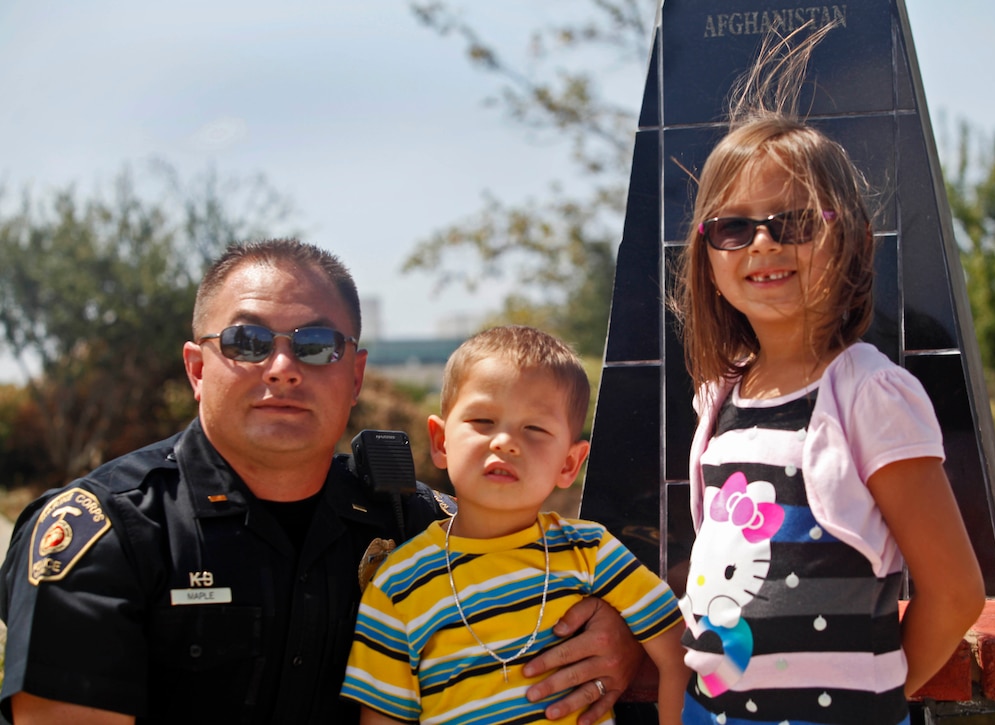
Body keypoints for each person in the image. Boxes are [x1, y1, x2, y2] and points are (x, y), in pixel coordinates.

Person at [0, 239, 643, 725]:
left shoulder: (418, 524)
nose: (281, 367)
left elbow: (553, 581)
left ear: (356, 376)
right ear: (198, 368)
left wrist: (615, 640)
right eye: (247, 341)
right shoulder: (110, 531)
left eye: (316, 346)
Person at [669, 26, 986, 725]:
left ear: (847, 237)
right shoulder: (720, 400)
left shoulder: (869, 394)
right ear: (709, 256)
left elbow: (956, 592)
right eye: (734, 228)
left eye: (794, 223)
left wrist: (872, 697)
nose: (763, 244)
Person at [341, 325, 687, 725]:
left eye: (535, 429)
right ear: (440, 442)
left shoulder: (591, 552)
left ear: (569, 464)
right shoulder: (397, 586)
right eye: (483, 420)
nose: (504, 441)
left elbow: (677, 651)